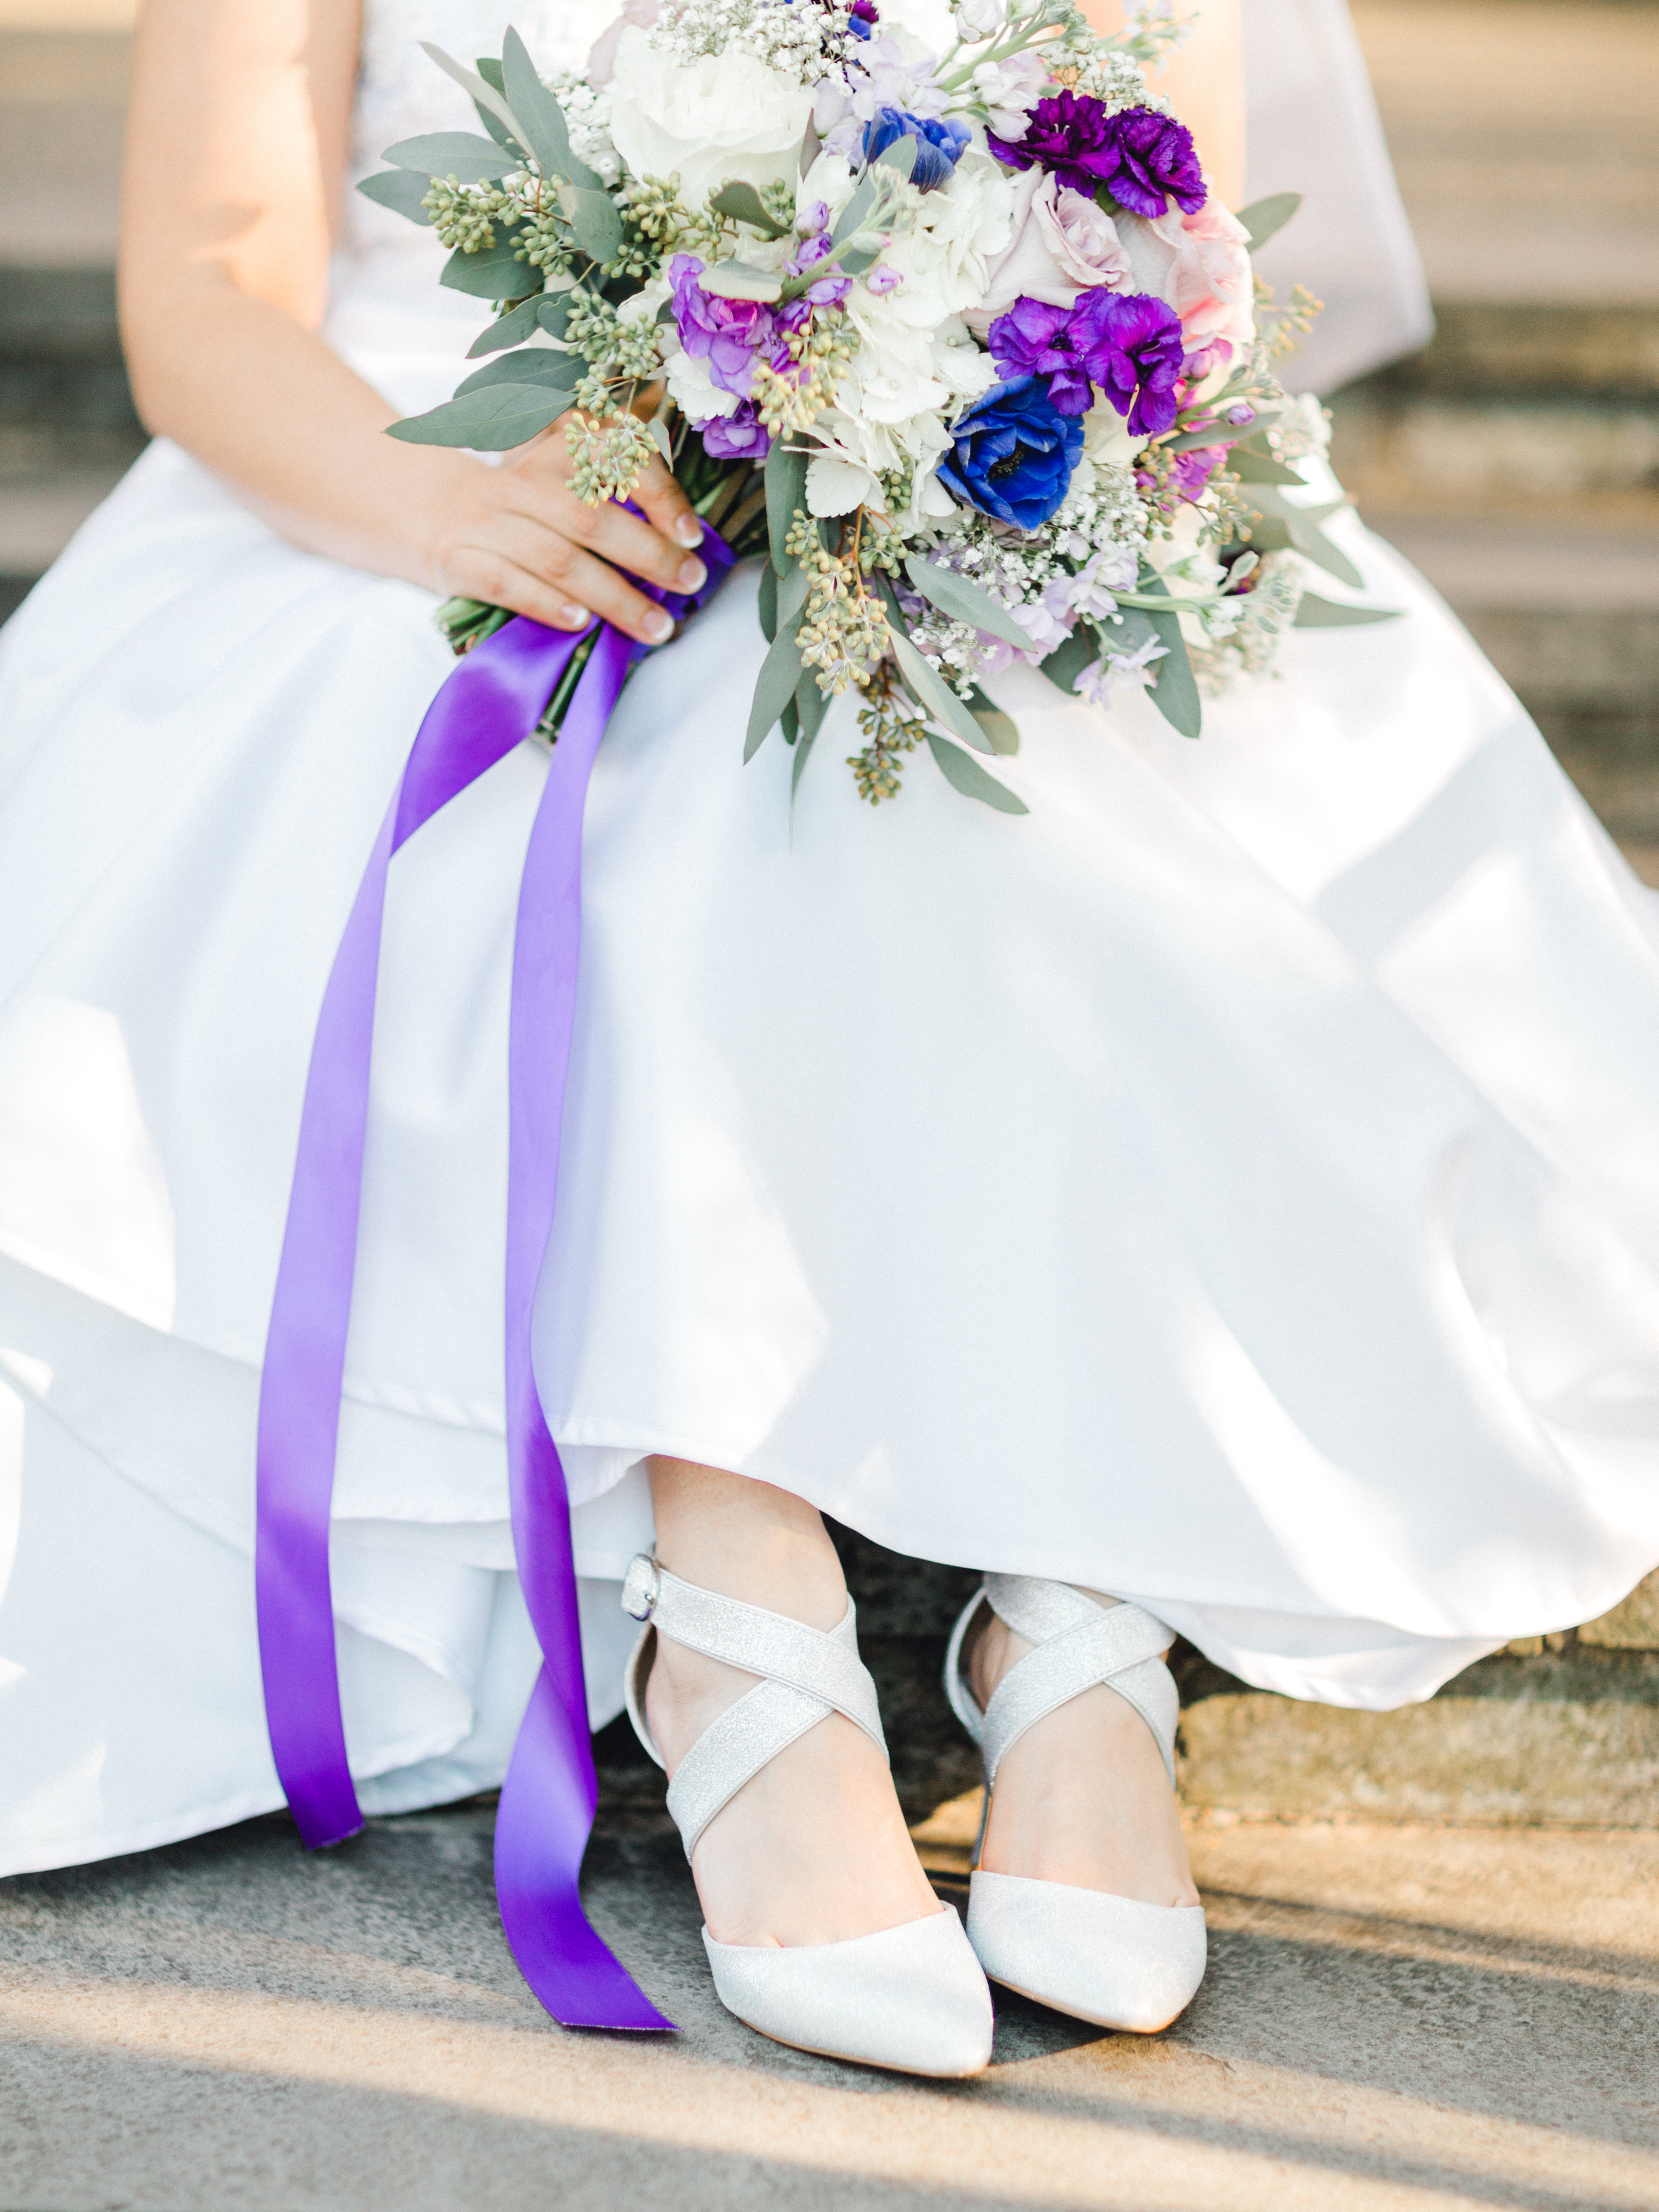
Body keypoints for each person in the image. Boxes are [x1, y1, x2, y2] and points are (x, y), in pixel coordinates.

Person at [2, 0, 1657, 2077]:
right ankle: (733, 1582)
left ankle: (1074, 1586)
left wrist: (1007, 444)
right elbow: (210, 282)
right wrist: (454, 515)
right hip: (431, 460)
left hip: (950, 466)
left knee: (1028, 725)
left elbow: (1172, 238)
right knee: (674, 747)